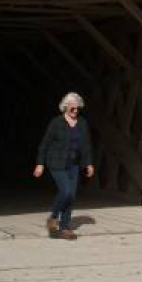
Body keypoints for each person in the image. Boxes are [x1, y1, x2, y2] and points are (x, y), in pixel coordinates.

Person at [34, 92, 95, 240]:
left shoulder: (82, 123)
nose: (75, 111)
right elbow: (45, 144)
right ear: (65, 107)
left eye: (77, 109)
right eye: (72, 108)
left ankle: (65, 228)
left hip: (73, 165)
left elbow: (86, 145)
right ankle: (53, 217)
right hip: (56, 163)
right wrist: (40, 164)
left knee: (71, 196)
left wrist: (89, 163)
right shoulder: (56, 122)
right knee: (66, 192)